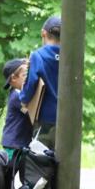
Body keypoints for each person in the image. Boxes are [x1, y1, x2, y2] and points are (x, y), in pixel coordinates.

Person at [19, 15, 61, 150]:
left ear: (44, 33)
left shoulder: (38, 56)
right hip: (67, 119)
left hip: (45, 118)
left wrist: (23, 98)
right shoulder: (70, 56)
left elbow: (31, 84)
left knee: (42, 162)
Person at [0, 58, 33, 159]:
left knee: (25, 171)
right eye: (25, 76)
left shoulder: (20, 94)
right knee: (9, 172)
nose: (28, 79)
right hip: (13, 144)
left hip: (21, 143)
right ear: (14, 78)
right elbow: (31, 112)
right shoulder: (17, 96)